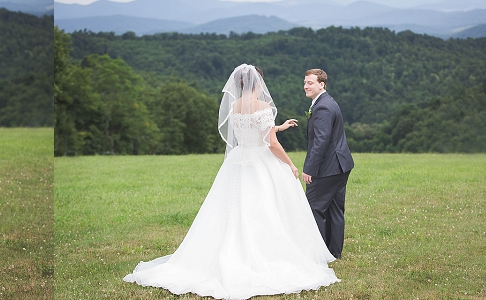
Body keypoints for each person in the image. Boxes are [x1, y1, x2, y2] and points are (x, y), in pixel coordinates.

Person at [123, 64, 339, 299]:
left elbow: (251, 132)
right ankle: (266, 255)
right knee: (264, 209)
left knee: (230, 209)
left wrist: (279, 126)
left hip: (239, 160)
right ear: (258, 84)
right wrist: (291, 164)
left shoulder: (235, 106)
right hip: (260, 162)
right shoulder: (264, 106)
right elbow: (271, 143)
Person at [302, 69, 354, 259]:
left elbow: (321, 141)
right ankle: (334, 252)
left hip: (328, 167)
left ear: (321, 84)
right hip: (341, 165)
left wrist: (309, 169)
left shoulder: (322, 107)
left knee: (314, 208)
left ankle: (318, 253)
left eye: (310, 82)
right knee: (334, 209)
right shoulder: (327, 102)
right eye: (305, 82)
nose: (306, 86)